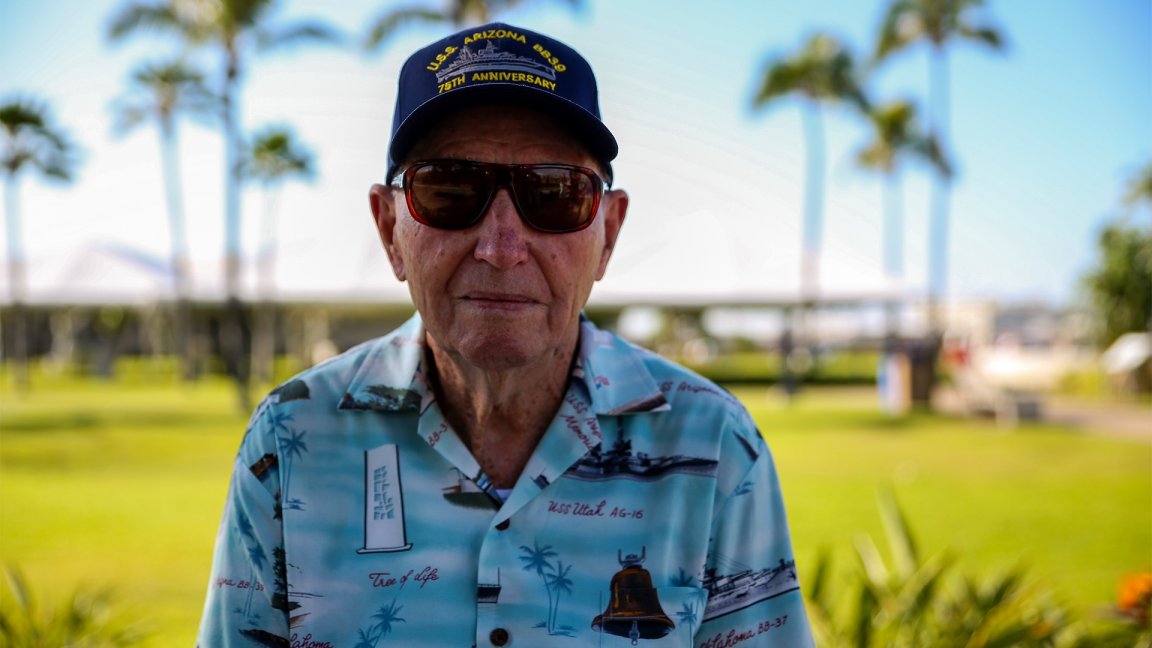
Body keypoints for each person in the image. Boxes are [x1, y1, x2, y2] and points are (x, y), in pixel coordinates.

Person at [197, 22, 813, 647]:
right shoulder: (291, 437)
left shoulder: (714, 443)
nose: (500, 248)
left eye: (554, 193)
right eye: (448, 189)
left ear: (608, 234)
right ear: (389, 232)